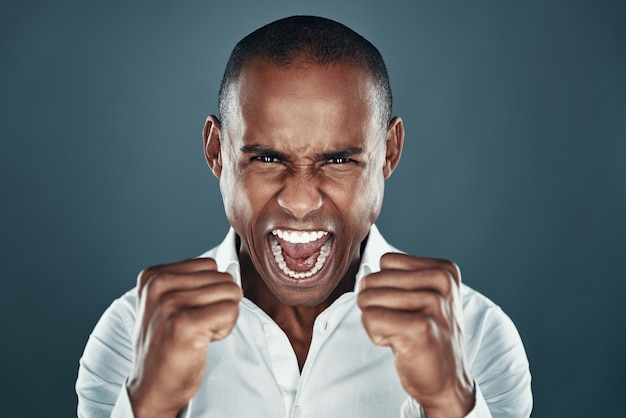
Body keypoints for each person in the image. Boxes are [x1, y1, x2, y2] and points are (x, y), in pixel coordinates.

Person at [76, 15, 532, 418]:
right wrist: (147, 406)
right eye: (268, 160)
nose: (299, 202)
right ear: (216, 151)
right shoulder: (130, 332)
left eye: (337, 161)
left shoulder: (476, 336)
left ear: (389, 152)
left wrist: (452, 403)